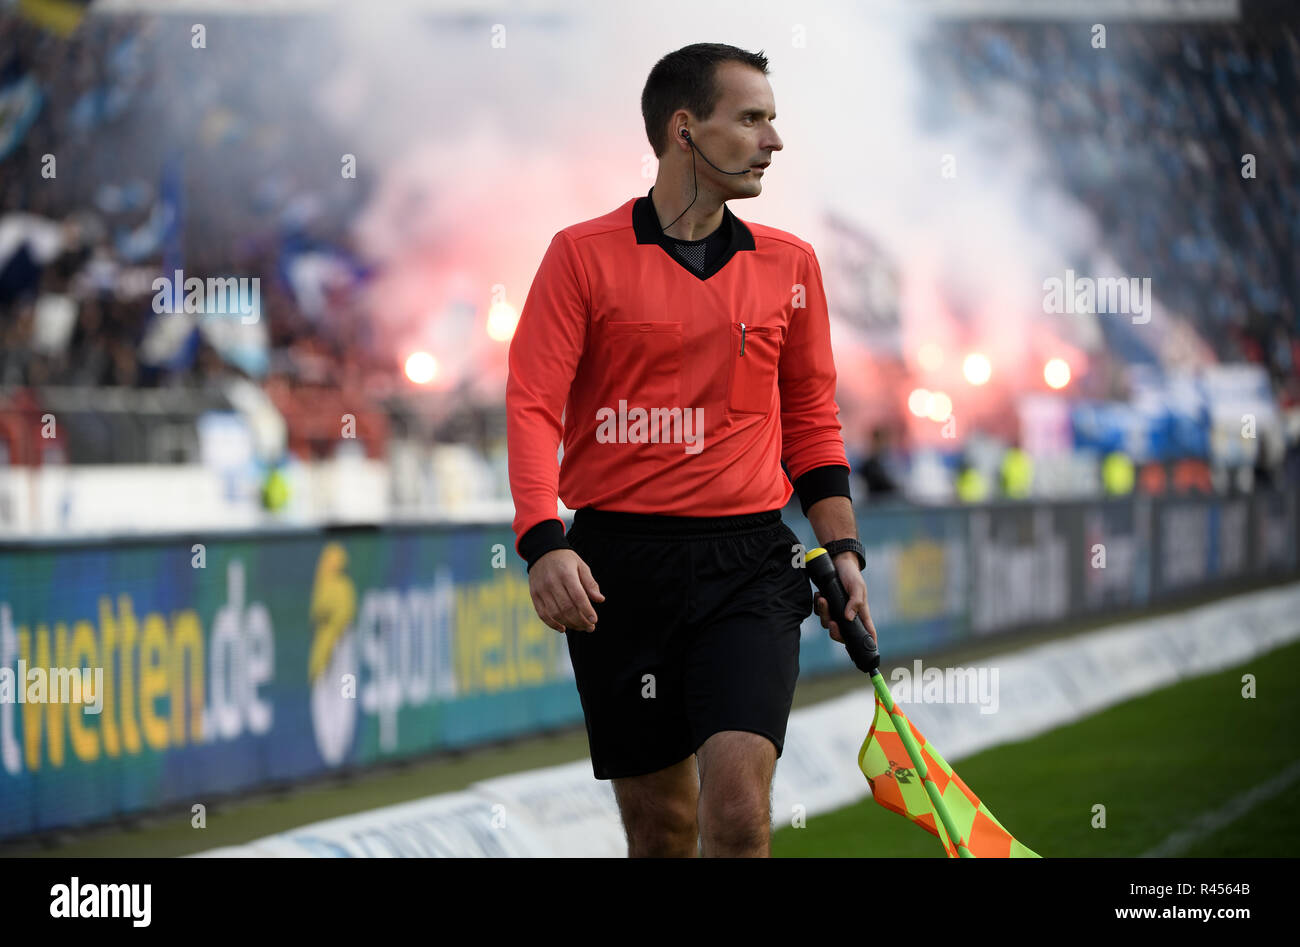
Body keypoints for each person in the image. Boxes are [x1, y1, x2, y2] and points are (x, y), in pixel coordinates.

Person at [506, 43, 876, 858]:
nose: (772, 140)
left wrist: (840, 542)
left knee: (738, 818)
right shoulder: (581, 255)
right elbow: (532, 405)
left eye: (772, 120)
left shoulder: (792, 264)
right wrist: (542, 540)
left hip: (749, 565)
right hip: (618, 570)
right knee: (663, 831)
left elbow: (812, 416)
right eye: (751, 119)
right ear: (685, 130)